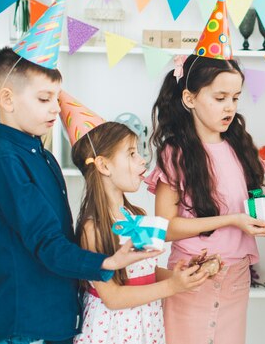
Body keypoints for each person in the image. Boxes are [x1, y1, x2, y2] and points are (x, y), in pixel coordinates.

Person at [0, 24, 159, 343]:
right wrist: (106, 263)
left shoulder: (44, 157)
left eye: (57, 98)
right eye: (44, 98)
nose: (55, 108)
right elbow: (46, 241)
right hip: (26, 324)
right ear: (7, 99)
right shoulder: (5, 162)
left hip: (58, 317)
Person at [146, 0, 265, 344]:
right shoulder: (175, 154)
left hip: (236, 277)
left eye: (235, 98)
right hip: (191, 276)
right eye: (219, 98)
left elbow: (246, 205)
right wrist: (231, 219)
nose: (229, 107)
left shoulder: (239, 147)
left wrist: (264, 220)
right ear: (189, 98)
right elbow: (164, 230)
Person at [64, 105, 208, 344]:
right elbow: (113, 297)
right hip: (112, 332)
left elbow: (143, 274)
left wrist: (178, 276)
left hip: (145, 326)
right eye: (131, 153)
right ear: (104, 165)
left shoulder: (137, 215)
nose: (142, 159)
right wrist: (173, 286)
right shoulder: (94, 229)